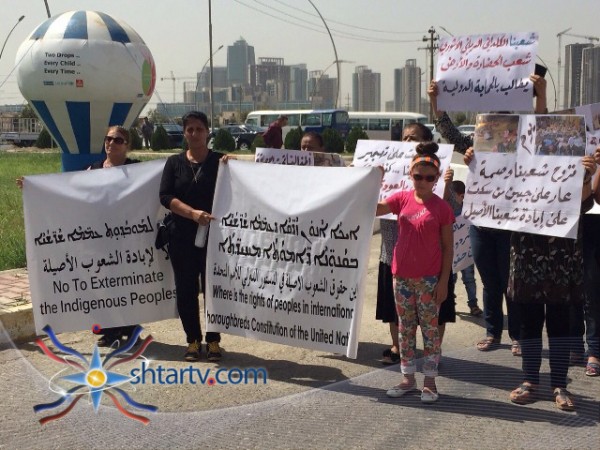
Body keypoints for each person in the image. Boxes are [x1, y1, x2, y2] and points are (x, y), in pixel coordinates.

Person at [428, 73, 548, 356]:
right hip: (481, 224)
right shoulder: (477, 141)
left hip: (511, 225)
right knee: (490, 282)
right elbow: (449, 132)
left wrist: (541, 94)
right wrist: (435, 100)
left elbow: (542, 126)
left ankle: (517, 335)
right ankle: (493, 331)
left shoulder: (525, 140)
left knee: (511, 282)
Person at [17, 125, 141, 347]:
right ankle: (110, 330)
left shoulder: (138, 170)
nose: (111, 143)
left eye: (118, 140)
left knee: (125, 284)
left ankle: (130, 329)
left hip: (126, 238)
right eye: (108, 138)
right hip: (95, 239)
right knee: (98, 285)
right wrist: (32, 187)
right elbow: (67, 192)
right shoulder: (91, 170)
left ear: (127, 145)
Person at [507, 155, 596, 411]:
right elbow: (495, 189)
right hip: (526, 253)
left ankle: (559, 384)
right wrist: (478, 161)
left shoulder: (572, 160)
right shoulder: (517, 160)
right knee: (529, 321)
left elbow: (584, 203)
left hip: (562, 256)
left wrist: (587, 176)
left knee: (560, 322)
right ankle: (529, 381)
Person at [377, 142, 454, 403]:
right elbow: (374, 209)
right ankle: (408, 379)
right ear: (411, 175)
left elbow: (448, 248)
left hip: (429, 280)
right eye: (418, 176)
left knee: (430, 331)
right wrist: (371, 181)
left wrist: (443, 282)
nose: (423, 182)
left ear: (436, 178)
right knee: (405, 329)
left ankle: (429, 382)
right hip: (401, 278)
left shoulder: (442, 208)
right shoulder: (401, 198)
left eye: (429, 178)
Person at [159, 110, 232, 362]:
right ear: (184, 133)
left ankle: (213, 341)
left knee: (212, 288)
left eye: (199, 129)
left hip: (215, 238)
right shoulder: (174, 163)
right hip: (181, 237)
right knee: (186, 290)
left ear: (208, 132)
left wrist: (235, 166)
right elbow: (165, 196)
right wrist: (192, 214)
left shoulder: (221, 162)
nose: (195, 133)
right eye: (190, 129)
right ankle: (192, 340)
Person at [378, 122, 433, 365]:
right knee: (394, 307)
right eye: (405, 138)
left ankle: (431, 352)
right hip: (392, 253)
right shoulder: (387, 167)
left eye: (414, 138)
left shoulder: (436, 173)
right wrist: (365, 179)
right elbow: (375, 206)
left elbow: (450, 209)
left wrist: (447, 184)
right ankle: (398, 346)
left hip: (426, 260)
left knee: (429, 311)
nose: (408, 142)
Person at [445, 179, 482, 317]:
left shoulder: (468, 211)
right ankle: (450, 303)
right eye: (459, 196)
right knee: (451, 279)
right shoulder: (447, 211)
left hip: (466, 252)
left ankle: (473, 304)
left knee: (469, 279)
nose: (462, 199)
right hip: (452, 253)